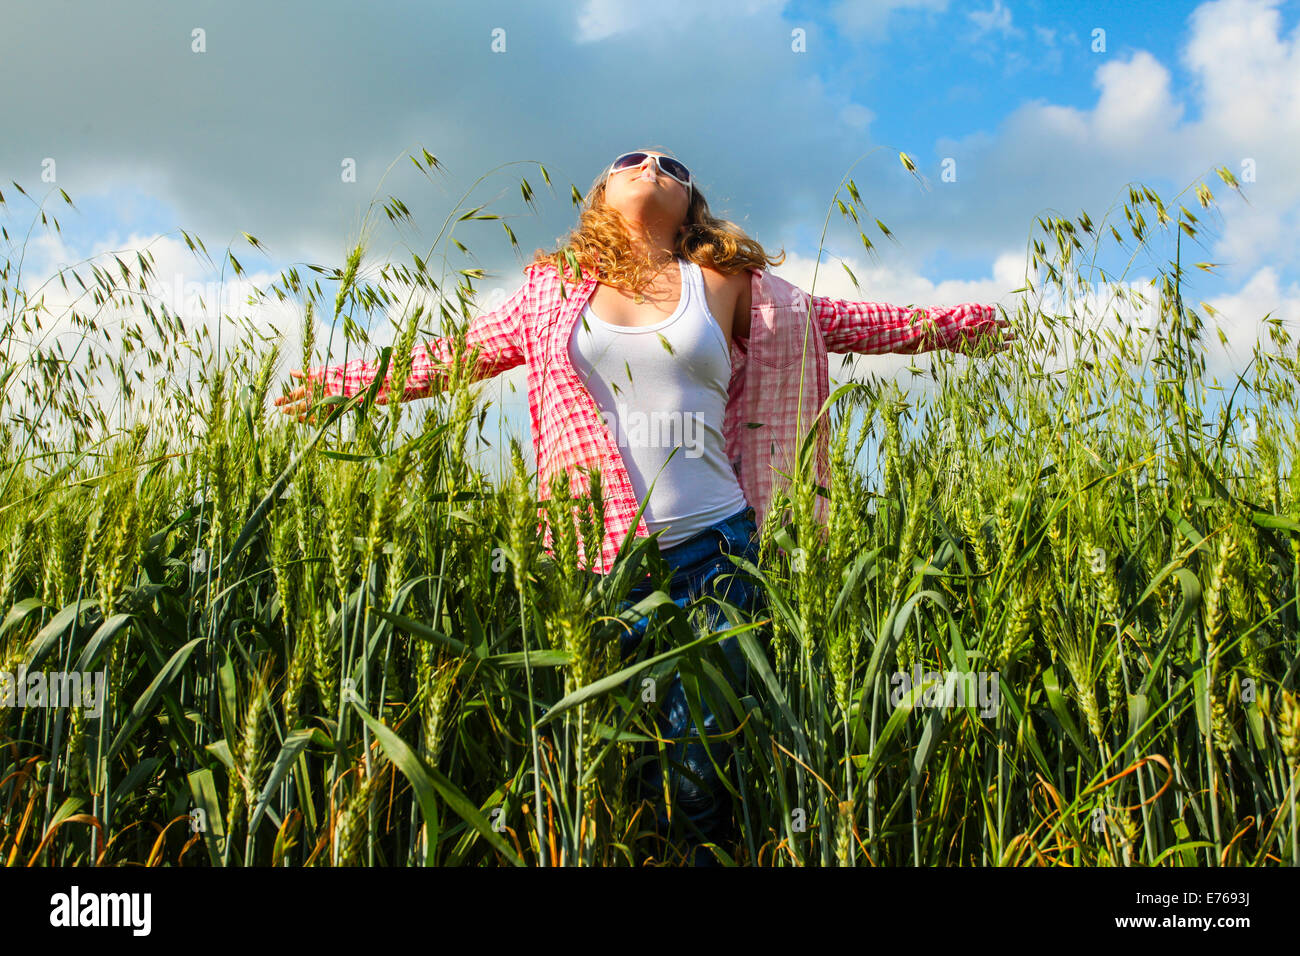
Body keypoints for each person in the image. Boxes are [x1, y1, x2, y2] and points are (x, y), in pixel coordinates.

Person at [275, 147, 1014, 865]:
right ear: (601, 193)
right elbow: (450, 354)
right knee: (601, 753)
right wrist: (344, 384)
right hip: (594, 556)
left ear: (692, 205)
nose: (652, 165)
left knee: (699, 765)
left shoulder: (723, 278)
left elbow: (847, 321)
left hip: (719, 549)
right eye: (632, 158)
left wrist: (959, 328)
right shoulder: (550, 287)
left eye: (673, 166)